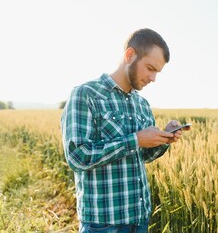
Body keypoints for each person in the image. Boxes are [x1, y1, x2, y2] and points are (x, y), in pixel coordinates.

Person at [61, 28, 189, 233]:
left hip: (139, 219)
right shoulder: (86, 95)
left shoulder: (142, 104)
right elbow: (77, 156)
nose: (153, 78)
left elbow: (143, 156)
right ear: (130, 55)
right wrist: (135, 139)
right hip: (103, 224)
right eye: (150, 68)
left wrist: (164, 138)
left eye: (157, 72)